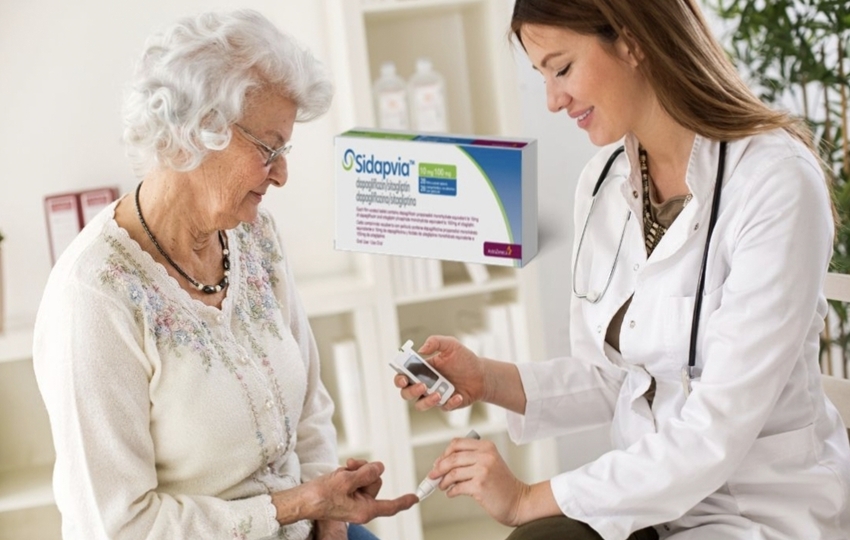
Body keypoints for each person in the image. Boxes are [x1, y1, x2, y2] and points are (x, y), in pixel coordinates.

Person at [393, 0, 850, 538]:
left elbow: (717, 428)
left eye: (561, 68)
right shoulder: (604, 181)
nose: (552, 100)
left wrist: (526, 498)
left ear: (633, 41)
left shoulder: (774, 182)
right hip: (649, 507)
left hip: (760, 512)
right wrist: (487, 378)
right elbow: (618, 376)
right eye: (541, 76)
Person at [33, 9, 416, 540]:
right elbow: (120, 525)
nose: (281, 173)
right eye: (268, 149)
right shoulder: (94, 296)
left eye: (286, 149)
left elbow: (309, 408)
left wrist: (327, 515)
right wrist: (299, 503)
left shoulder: (254, 237)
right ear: (196, 132)